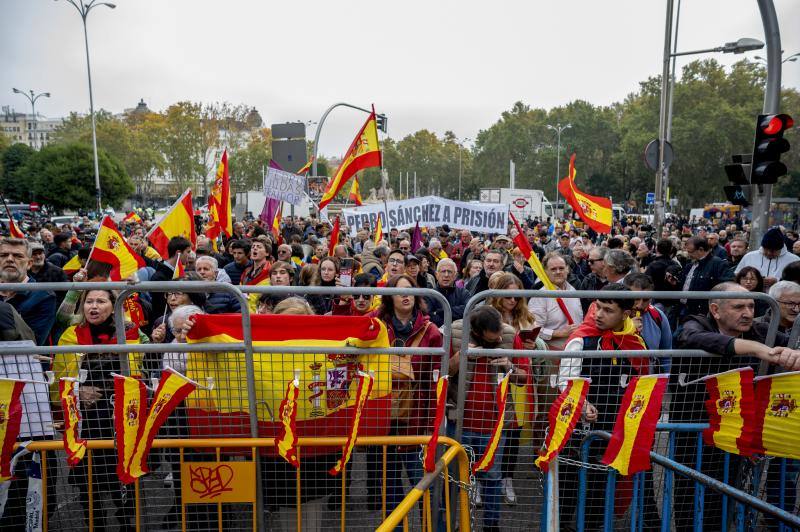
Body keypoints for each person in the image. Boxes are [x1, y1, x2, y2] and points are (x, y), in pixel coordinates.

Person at [674, 282, 800, 530]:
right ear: (716, 310)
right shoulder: (695, 324)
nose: (748, 313)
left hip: (739, 432)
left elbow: (789, 346)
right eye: (739, 306)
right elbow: (693, 338)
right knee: (690, 495)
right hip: (697, 431)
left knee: (729, 496)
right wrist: (760, 350)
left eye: (752, 306)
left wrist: (794, 354)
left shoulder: (761, 329)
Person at [557, 285, 659, 529]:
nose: (599, 314)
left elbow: (642, 380)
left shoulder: (634, 340)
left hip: (619, 427)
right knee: (569, 489)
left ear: (625, 313)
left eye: (608, 310)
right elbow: (565, 381)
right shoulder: (581, 339)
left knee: (602, 490)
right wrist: (582, 404)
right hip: (581, 431)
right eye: (598, 307)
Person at [52, 288, 143, 531]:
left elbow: (136, 373)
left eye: (101, 301)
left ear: (114, 307)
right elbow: (60, 379)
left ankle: (127, 523)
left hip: (118, 418)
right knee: (88, 484)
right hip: (85, 420)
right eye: (89, 301)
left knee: (123, 480)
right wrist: (78, 392)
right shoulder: (71, 336)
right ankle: (95, 525)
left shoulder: (130, 333)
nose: (93, 306)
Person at [447, 305, 528, 532]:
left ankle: (491, 526)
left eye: (500, 334)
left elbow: (524, 378)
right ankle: (454, 524)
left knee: (492, 478)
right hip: (460, 422)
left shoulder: (511, 337)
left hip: (494, 425)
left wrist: (509, 366)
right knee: (455, 478)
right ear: (477, 331)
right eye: (493, 338)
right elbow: (443, 371)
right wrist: (461, 355)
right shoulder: (456, 334)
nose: (500, 338)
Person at [370, 274, 443, 515]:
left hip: (416, 415)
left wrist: (432, 415)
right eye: (399, 290)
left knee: (421, 480)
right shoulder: (374, 324)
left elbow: (435, 377)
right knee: (389, 483)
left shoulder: (431, 331)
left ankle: (429, 525)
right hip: (381, 413)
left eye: (409, 290)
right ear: (389, 297)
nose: (405, 295)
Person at [487, 272, 539, 506]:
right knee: (491, 431)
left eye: (517, 296)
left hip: (519, 377)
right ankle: (484, 479)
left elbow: (537, 344)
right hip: (494, 380)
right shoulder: (488, 316)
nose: (513, 300)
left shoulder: (525, 316)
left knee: (514, 432)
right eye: (509, 295)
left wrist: (532, 344)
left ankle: (507, 478)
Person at [0, 237, 56, 345]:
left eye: (18, 256)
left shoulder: (44, 296)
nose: (10, 259)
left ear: (29, 264)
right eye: (3, 255)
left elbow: (33, 342)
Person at [528, 253, 583, 350]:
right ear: (545, 272)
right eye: (553, 269)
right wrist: (559, 333)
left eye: (561, 268)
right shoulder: (540, 296)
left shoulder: (573, 291)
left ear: (567, 269)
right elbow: (533, 330)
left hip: (576, 349)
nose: (558, 272)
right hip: (552, 353)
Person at [680, 236, 734, 316]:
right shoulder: (690, 265)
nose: (688, 254)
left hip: (703, 313)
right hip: (684, 309)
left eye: (690, 252)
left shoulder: (718, 264)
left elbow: (728, 286)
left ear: (701, 250)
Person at [735, 227, 800, 289]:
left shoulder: (794, 260)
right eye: (765, 249)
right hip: (752, 297)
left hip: (782, 299)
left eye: (773, 251)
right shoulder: (749, 256)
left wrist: (778, 281)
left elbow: (797, 282)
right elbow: (737, 275)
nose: (769, 253)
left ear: (781, 249)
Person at [427, 258, 469, 327]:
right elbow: (429, 317)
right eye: (443, 271)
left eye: (449, 272)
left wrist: (441, 312)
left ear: (455, 275)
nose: (446, 275)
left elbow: (468, 309)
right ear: (436, 275)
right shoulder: (429, 295)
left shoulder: (463, 293)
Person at [240, 239, 272, 313]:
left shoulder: (271, 272)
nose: (255, 248)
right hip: (244, 314)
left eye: (259, 247)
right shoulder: (245, 272)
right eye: (253, 246)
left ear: (267, 253)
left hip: (259, 315)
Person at [578, 247, 608, 312]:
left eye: (591, 261)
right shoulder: (588, 279)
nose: (589, 263)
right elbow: (582, 303)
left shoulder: (616, 279)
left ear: (604, 261)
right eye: (588, 261)